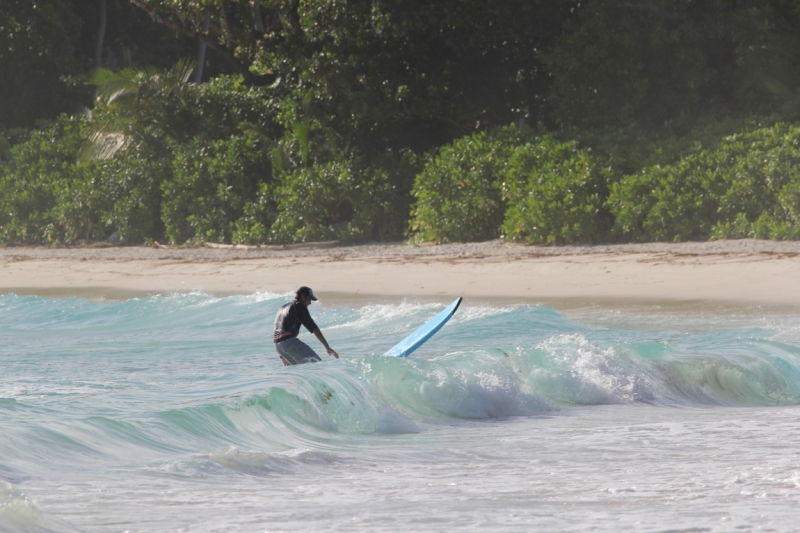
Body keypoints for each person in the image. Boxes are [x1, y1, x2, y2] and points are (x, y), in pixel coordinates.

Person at [273, 286, 338, 366]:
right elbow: (314, 328)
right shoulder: (299, 305)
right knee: (317, 364)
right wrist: (327, 346)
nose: (310, 303)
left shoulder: (283, 307)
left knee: (301, 370)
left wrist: (282, 355)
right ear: (303, 297)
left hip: (278, 346)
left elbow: (278, 329)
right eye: (309, 299)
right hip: (289, 343)